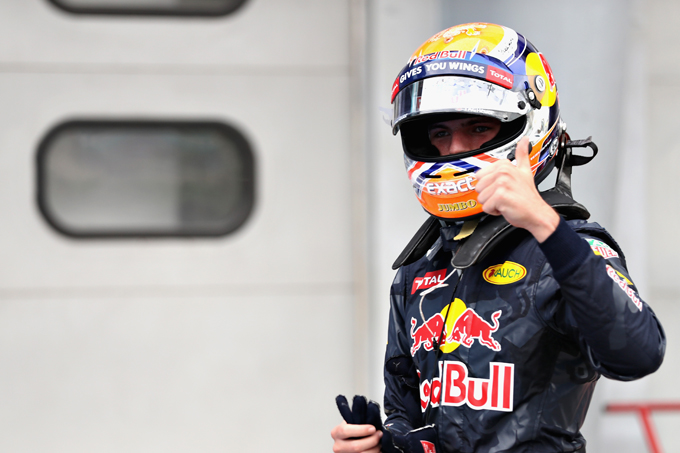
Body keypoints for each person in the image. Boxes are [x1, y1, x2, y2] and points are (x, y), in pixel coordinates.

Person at [331, 22, 665, 452]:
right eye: (439, 133)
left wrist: (545, 223)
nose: (453, 149)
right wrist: (384, 445)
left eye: (477, 128)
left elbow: (638, 354)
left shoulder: (565, 250)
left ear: (527, 129)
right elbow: (409, 418)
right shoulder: (417, 272)